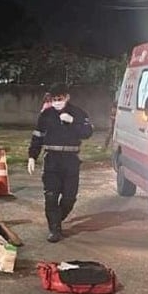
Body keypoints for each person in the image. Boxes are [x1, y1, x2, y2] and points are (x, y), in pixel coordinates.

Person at [27, 83, 93, 243]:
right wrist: (32, 156)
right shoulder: (46, 115)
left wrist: (73, 122)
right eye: (54, 99)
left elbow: (87, 132)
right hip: (52, 159)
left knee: (69, 197)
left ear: (67, 97)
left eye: (60, 98)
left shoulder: (78, 113)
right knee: (51, 196)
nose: (57, 101)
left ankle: (57, 218)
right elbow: (37, 136)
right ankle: (54, 229)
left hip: (71, 160)